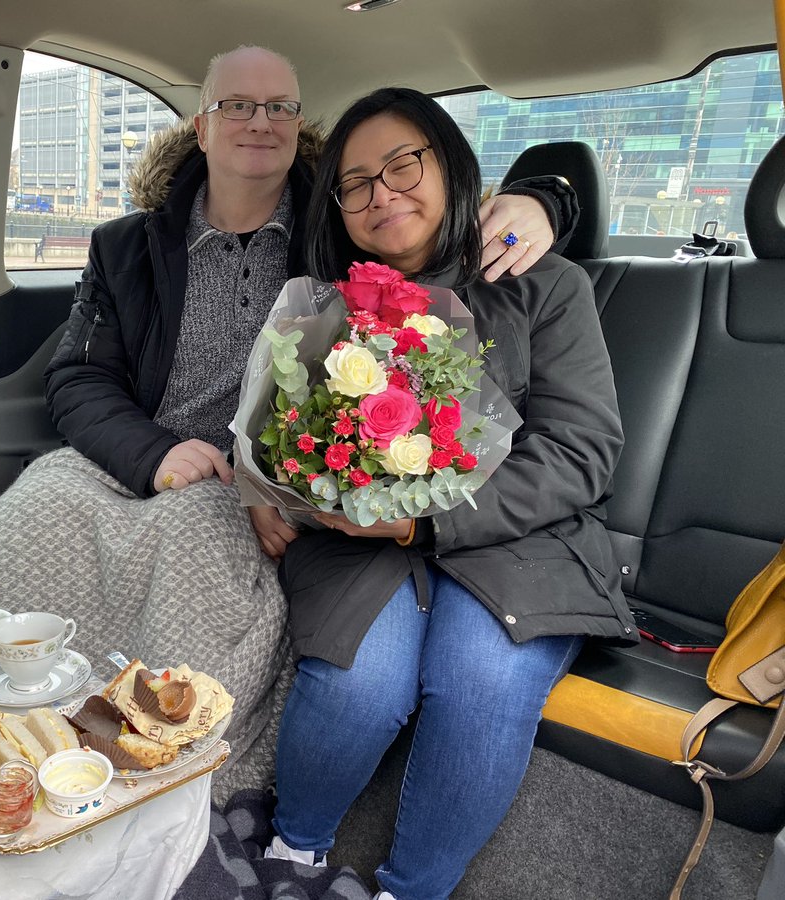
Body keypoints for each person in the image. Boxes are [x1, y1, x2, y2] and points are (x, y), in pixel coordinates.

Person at [0, 47, 576, 799]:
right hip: (144, 453)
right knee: (41, 500)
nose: (259, 121)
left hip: (260, 480)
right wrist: (155, 454)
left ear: (299, 127)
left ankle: (154, 772)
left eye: (279, 106)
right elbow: (78, 376)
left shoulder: (343, 231)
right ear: (201, 126)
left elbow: (448, 219)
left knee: (194, 555)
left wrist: (547, 199)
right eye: (237, 105)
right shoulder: (126, 246)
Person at [262, 87, 635, 899]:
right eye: (355, 182)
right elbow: (284, 436)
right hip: (362, 536)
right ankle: (290, 856)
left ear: (452, 164)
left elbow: (580, 452)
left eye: (403, 164)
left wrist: (424, 523)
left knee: (481, 682)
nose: (381, 193)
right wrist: (280, 486)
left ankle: (412, 888)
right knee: (359, 683)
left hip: (520, 541)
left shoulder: (546, 285)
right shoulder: (328, 303)